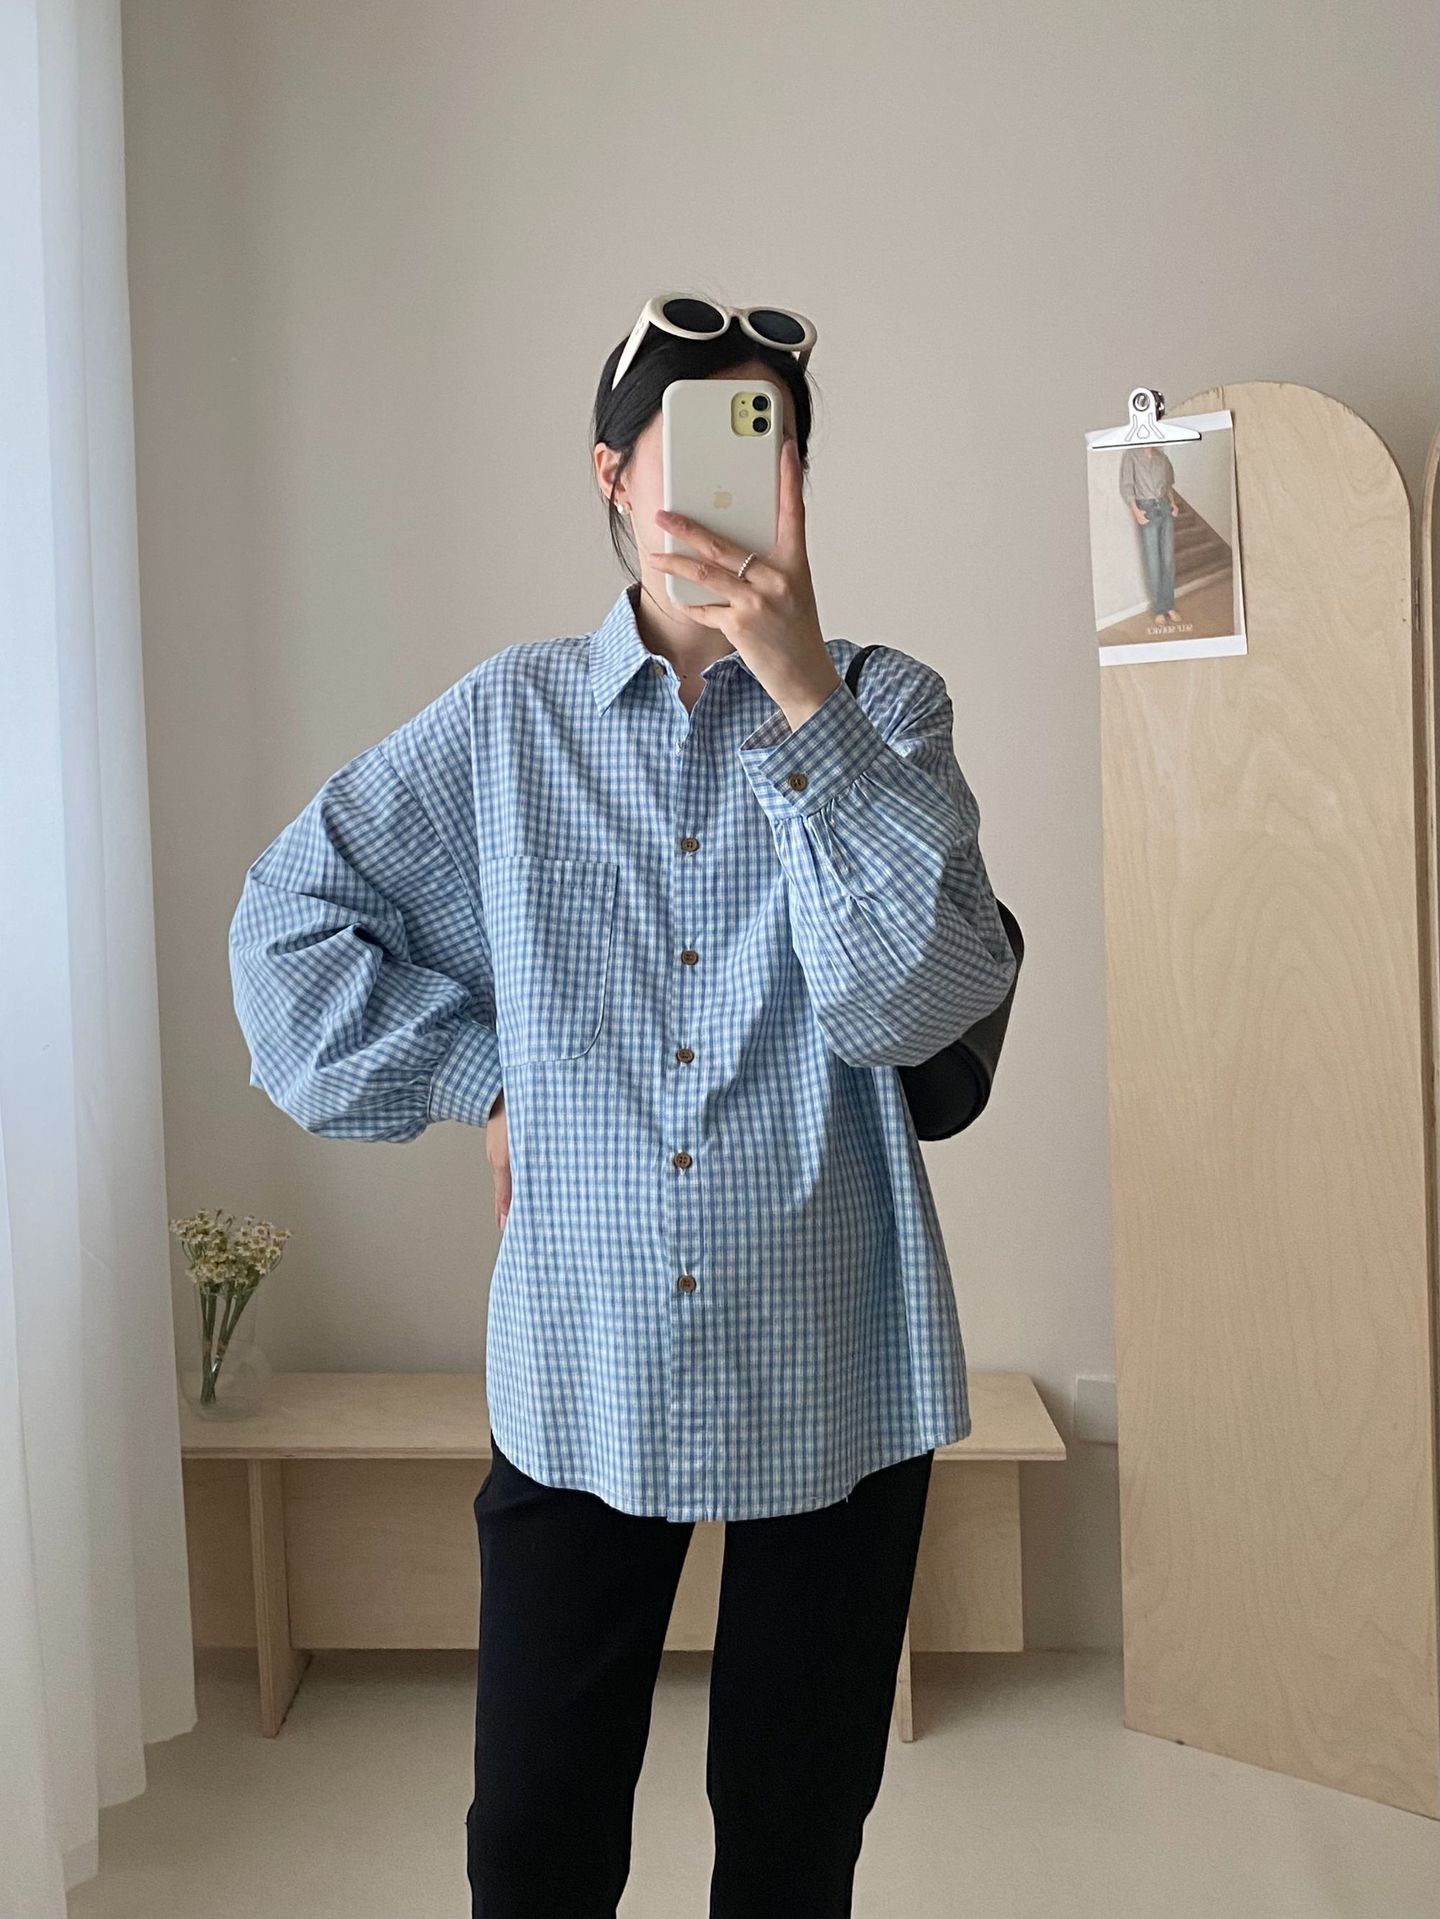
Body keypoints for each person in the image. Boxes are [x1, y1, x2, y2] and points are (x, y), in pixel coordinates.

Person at [227, 294, 1017, 1918]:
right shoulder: (508, 720)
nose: (741, 485)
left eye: (770, 447)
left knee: (794, 1836)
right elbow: (285, 929)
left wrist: (804, 703)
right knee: (534, 1830)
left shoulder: (891, 709)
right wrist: (481, 1072)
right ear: (611, 473)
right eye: (701, 446)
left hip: (836, 1354)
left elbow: (904, 1002)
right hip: (582, 1358)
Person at [1118, 440, 1182, 623]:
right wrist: (1136, 512)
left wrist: (1173, 504)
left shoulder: (1162, 458)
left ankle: (1169, 605)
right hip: (1146, 508)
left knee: (1168, 560)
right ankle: (1159, 609)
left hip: (1164, 506)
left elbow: (1168, 485)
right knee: (1152, 561)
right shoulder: (1131, 456)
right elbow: (1127, 486)